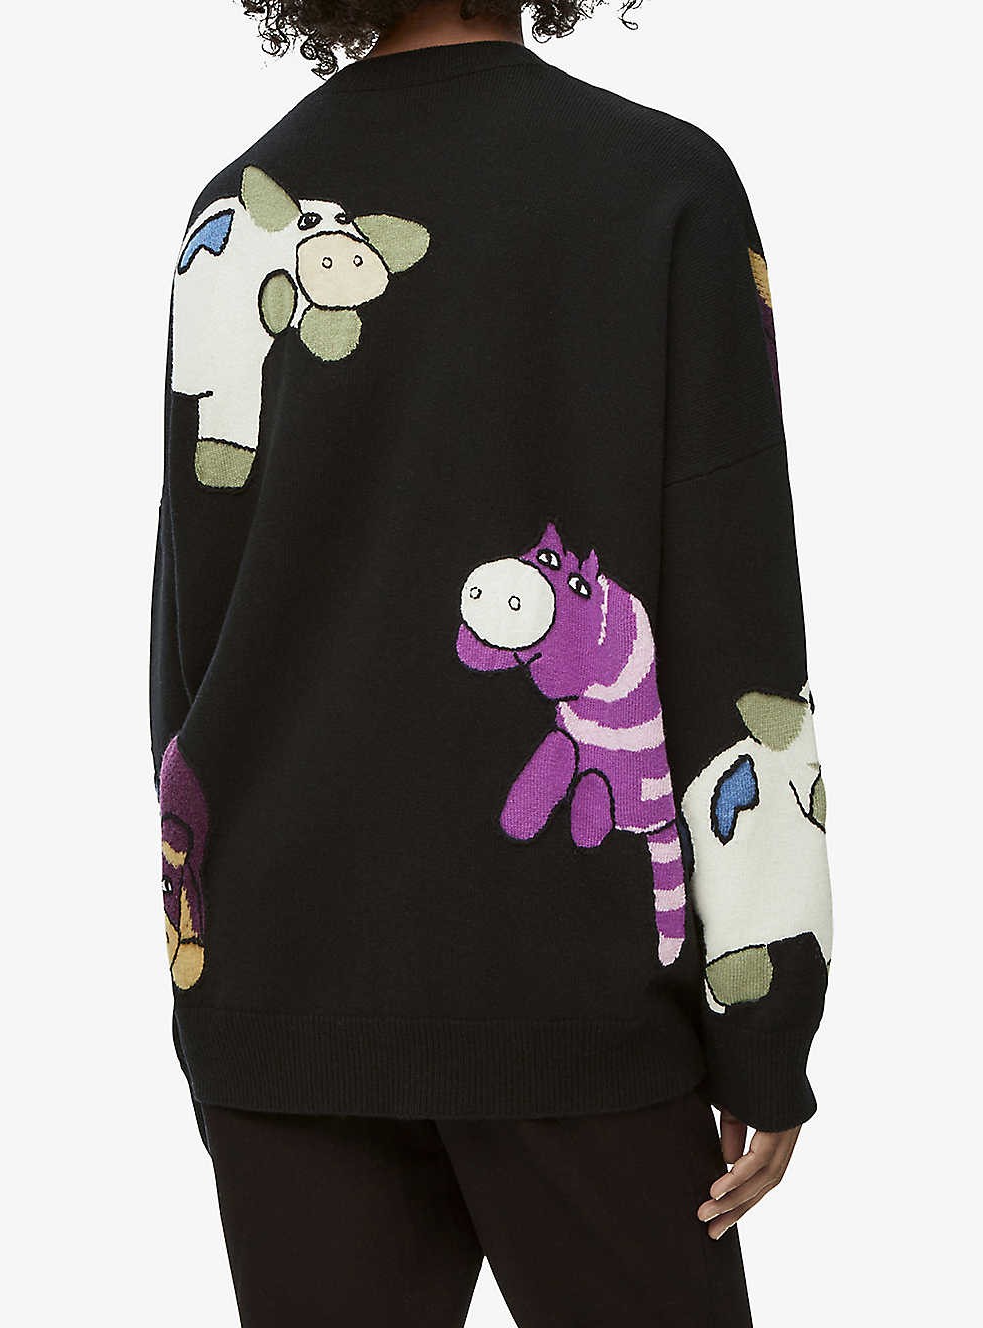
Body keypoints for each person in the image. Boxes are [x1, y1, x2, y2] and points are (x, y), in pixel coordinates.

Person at [150, 2, 833, 1322]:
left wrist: (207, 970)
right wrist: (765, 1016)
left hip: (284, 987)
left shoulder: (240, 208)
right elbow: (735, 613)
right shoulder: (662, 187)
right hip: (576, 997)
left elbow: (193, 636)